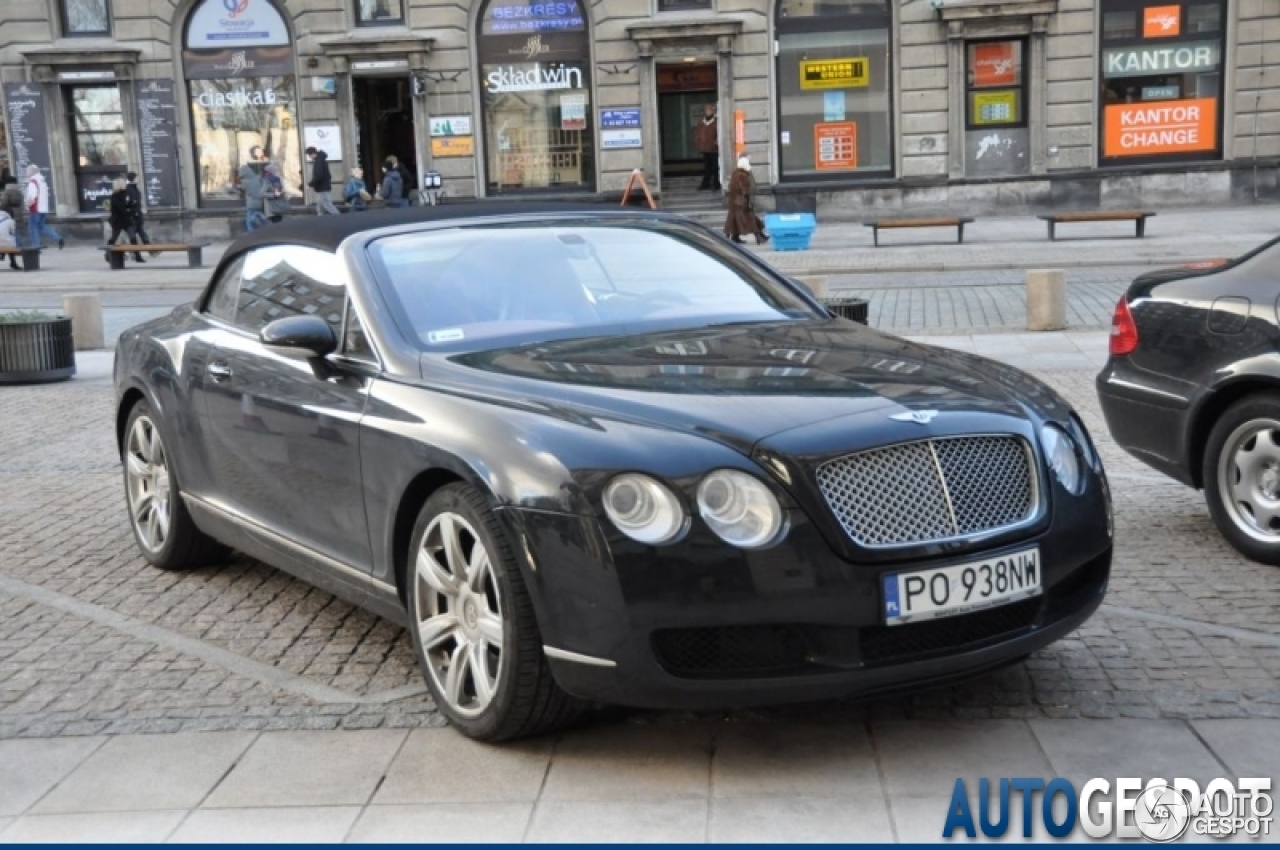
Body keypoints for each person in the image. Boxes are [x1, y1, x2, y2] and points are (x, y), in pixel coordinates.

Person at [724, 154, 768, 245]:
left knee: (733, 221)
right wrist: (748, 200)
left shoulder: (735, 174)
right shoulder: (743, 175)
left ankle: (733, 237)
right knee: (750, 219)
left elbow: (731, 188)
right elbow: (745, 190)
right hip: (742, 202)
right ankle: (759, 237)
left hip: (733, 202)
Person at [24, 164, 64, 250]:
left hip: (35, 208)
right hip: (43, 208)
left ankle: (35, 246)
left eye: (27, 171)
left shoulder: (33, 181)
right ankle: (58, 238)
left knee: (33, 228)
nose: (26, 173)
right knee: (42, 226)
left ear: (32, 172)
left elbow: (32, 196)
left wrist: (27, 205)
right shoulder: (42, 180)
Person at [124, 171, 156, 258]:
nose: (139, 179)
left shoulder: (135, 188)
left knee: (142, 233)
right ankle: (133, 253)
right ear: (133, 179)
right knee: (132, 236)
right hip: (132, 216)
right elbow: (128, 203)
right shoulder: (128, 189)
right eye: (137, 178)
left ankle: (150, 250)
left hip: (137, 215)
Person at [693, 103, 721, 192]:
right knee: (707, 167)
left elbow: (719, 134)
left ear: (713, 111)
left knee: (715, 167)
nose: (708, 111)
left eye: (709, 110)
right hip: (705, 148)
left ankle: (716, 184)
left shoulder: (716, 122)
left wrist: (716, 143)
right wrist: (699, 144)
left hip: (714, 149)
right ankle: (705, 184)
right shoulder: (701, 122)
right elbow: (697, 134)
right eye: (706, 110)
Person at [238, 146, 267, 232]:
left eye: (261, 151)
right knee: (252, 217)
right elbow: (243, 183)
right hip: (254, 197)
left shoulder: (265, 164)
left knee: (263, 219)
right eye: (257, 151)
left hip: (264, 198)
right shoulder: (247, 168)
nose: (260, 153)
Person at [0, 175, 26, 269]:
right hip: (18, 214)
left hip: (9, 214)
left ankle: (12, 260)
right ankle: (17, 260)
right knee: (15, 235)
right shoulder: (19, 192)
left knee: (9, 237)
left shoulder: (7, 192)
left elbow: (4, 204)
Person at [305, 146, 339, 216]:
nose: (309, 157)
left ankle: (339, 219)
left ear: (313, 154)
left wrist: (310, 184)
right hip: (322, 187)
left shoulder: (318, 162)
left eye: (309, 155)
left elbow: (318, 176)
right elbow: (328, 175)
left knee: (328, 205)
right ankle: (320, 221)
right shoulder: (322, 160)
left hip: (322, 188)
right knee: (320, 208)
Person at [0, 205, 18, 270]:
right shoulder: (10, 221)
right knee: (11, 241)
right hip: (6, 243)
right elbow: (13, 233)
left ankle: (2, 255)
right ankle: (13, 263)